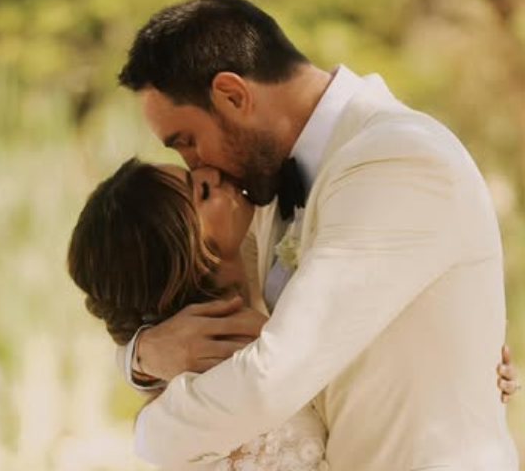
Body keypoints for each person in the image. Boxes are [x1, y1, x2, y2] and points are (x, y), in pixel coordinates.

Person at [114, 0, 521, 470]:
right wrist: (141, 356)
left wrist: (149, 432)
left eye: (187, 141)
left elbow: (272, 375)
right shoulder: (257, 192)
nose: (195, 166)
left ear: (232, 95)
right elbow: (178, 298)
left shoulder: (398, 157)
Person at [67, 157, 519, 471]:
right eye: (199, 190)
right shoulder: (222, 376)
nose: (209, 171)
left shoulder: (263, 251)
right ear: (190, 251)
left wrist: (462, 354)